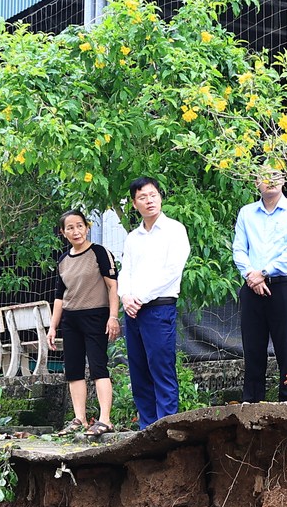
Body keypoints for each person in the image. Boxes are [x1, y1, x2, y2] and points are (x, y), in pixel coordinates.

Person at [231, 171, 287, 403]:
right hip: (251, 287)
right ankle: (251, 404)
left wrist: (263, 273)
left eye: (276, 175)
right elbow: (239, 249)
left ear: (284, 179)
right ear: (256, 182)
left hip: (283, 286)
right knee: (253, 350)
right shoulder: (246, 213)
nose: (271, 180)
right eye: (265, 176)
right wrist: (252, 276)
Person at [118, 175, 190, 425]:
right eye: (142, 197)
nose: (149, 201)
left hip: (159, 308)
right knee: (138, 372)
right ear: (134, 203)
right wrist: (125, 296)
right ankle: (146, 429)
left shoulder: (174, 230)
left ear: (160, 197)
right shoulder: (133, 237)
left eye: (153, 195)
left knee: (161, 369)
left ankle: (166, 427)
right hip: (133, 312)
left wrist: (139, 297)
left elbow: (172, 271)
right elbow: (125, 270)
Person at [43, 209, 121, 434]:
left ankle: (105, 420)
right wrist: (53, 326)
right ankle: (80, 419)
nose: (76, 231)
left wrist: (113, 317)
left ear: (87, 228)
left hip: (96, 316)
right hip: (71, 319)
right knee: (73, 369)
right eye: (70, 228)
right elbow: (59, 296)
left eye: (80, 226)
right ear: (63, 232)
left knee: (98, 366)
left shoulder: (99, 252)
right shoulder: (63, 260)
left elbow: (112, 286)